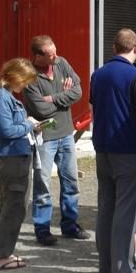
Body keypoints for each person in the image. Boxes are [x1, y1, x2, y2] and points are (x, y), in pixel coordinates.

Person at [89, 28, 136, 273]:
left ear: (114, 48)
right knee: (127, 212)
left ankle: (105, 265)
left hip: (103, 150)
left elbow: (93, 111)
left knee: (106, 208)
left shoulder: (98, 75)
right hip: (129, 151)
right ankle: (124, 269)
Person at [22, 35, 89, 246]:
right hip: (46, 138)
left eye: (55, 51)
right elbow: (41, 110)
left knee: (71, 182)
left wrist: (55, 97)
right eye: (50, 54)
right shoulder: (29, 78)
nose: (55, 56)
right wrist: (64, 95)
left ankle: (69, 225)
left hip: (66, 134)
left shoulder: (62, 63)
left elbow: (78, 91)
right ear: (37, 56)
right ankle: (42, 229)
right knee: (43, 184)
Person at [0, 58, 40, 271]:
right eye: (25, 80)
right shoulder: (1, 98)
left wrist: (29, 126)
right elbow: (7, 131)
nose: (25, 85)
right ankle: (1, 256)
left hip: (11, 158)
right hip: (12, 159)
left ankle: (1, 251)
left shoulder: (3, 97)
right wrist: (28, 124)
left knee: (8, 204)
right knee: (14, 207)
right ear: (16, 76)